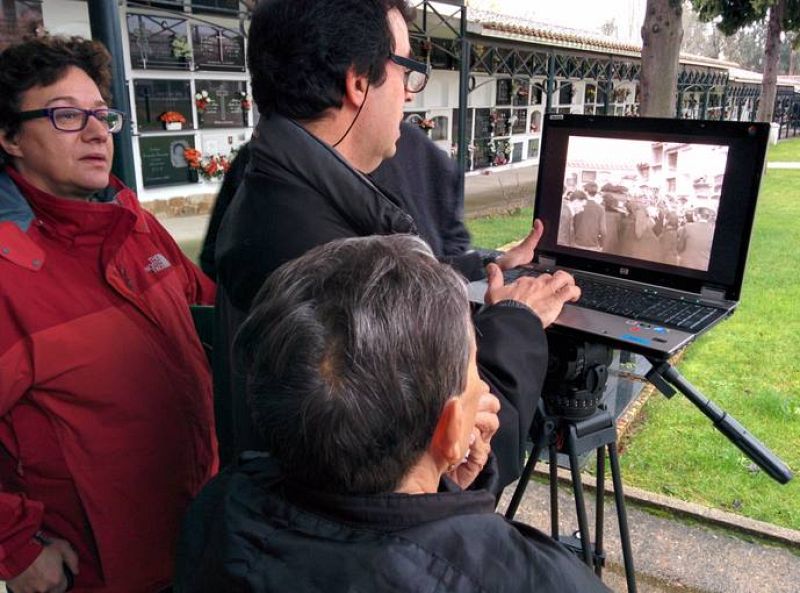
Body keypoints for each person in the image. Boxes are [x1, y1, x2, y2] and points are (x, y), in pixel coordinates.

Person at [213, 0, 569, 489]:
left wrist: (483, 265)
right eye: (405, 70)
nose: (408, 93)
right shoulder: (333, 267)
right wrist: (519, 323)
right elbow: (448, 453)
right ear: (358, 82)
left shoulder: (271, 188)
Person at [175, 235, 605, 593]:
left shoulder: (218, 508)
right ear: (454, 429)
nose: (483, 389)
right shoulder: (531, 579)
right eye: (474, 367)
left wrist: (438, 491)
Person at [0, 36, 218, 593]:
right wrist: (14, 549)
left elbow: (210, 308)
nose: (98, 132)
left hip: (198, 536)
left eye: (102, 115)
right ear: (8, 137)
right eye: (67, 116)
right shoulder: (6, 270)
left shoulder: (131, 222)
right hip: (101, 572)